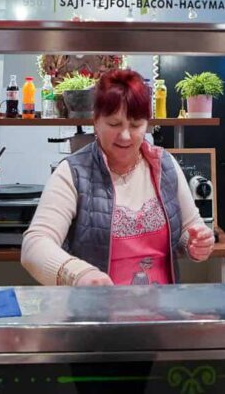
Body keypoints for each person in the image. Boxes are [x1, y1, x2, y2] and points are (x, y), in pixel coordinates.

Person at [21, 69, 215, 286]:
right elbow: (35, 244)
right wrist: (78, 274)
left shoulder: (165, 165)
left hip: (161, 315)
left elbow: (191, 226)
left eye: (135, 125)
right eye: (114, 124)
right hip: (98, 313)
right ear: (96, 122)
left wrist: (196, 242)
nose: (125, 135)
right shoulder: (73, 173)